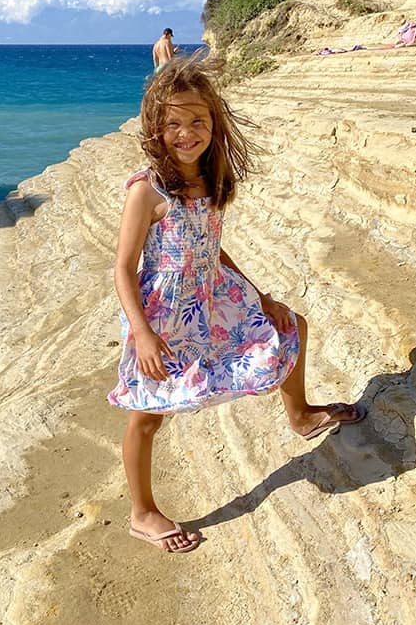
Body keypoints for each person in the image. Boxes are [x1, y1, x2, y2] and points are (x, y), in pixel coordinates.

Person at [108, 53, 367, 552]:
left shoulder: (209, 179)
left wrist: (256, 294)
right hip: (163, 314)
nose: (188, 133)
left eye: (198, 121)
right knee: (148, 413)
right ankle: (142, 512)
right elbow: (123, 267)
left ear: (214, 123)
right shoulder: (147, 191)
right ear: (155, 130)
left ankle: (300, 414)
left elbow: (210, 245)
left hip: (210, 295)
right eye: (174, 124)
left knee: (289, 324)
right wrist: (143, 333)